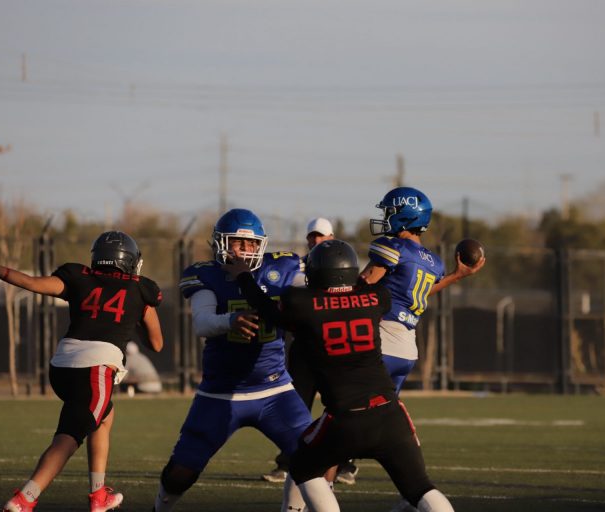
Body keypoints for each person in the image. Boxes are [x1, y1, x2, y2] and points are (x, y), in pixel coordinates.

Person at [227, 239, 455, 512]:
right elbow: (372, 290)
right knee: (420, 487)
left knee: (301, 466)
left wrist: (243, 276)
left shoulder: (301, 303)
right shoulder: (377, 298)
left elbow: (266, 309)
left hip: (346, 417)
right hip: (390, 412)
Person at [0, 231, 164, 512]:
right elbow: (157, 344)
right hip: (96, 370)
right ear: (129, 261)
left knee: (104, 416)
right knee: (69, 436)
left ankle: (99, 496)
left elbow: (30, 282)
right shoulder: (141, 289)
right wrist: (132, 316)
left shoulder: (78, 276)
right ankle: (25, 499)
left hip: (61, 368)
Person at [153, 208, 313, 512]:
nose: (246, 250)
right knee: (180, 472)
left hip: (275, 390)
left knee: (315, 455)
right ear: (221, 244)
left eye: (252, 244)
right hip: (220, 392)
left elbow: (317, 291)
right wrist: (231, 320)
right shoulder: (206, 274)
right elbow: (202, 323)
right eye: (239, 243)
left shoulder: (283, 268)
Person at [263, 216, 362, 485]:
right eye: (312, 236)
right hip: (304, 346)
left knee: (342, 405)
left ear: (332, 238)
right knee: (297, 406)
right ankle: (287, 463)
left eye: (321, 236)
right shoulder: (296, 267)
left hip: (334, 346)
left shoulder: (342, 266)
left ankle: (345, 464)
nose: (317, 240)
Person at [363, 186, 485, 393]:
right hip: (407, 352)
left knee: (348, 404)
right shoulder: (434, 262)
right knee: (383, 409)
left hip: (382, 341)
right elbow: (419, 290)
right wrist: (457, 275)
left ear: (405, 216)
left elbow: (363, 285)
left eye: (389, 212)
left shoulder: (395, 247)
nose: (385, 217)